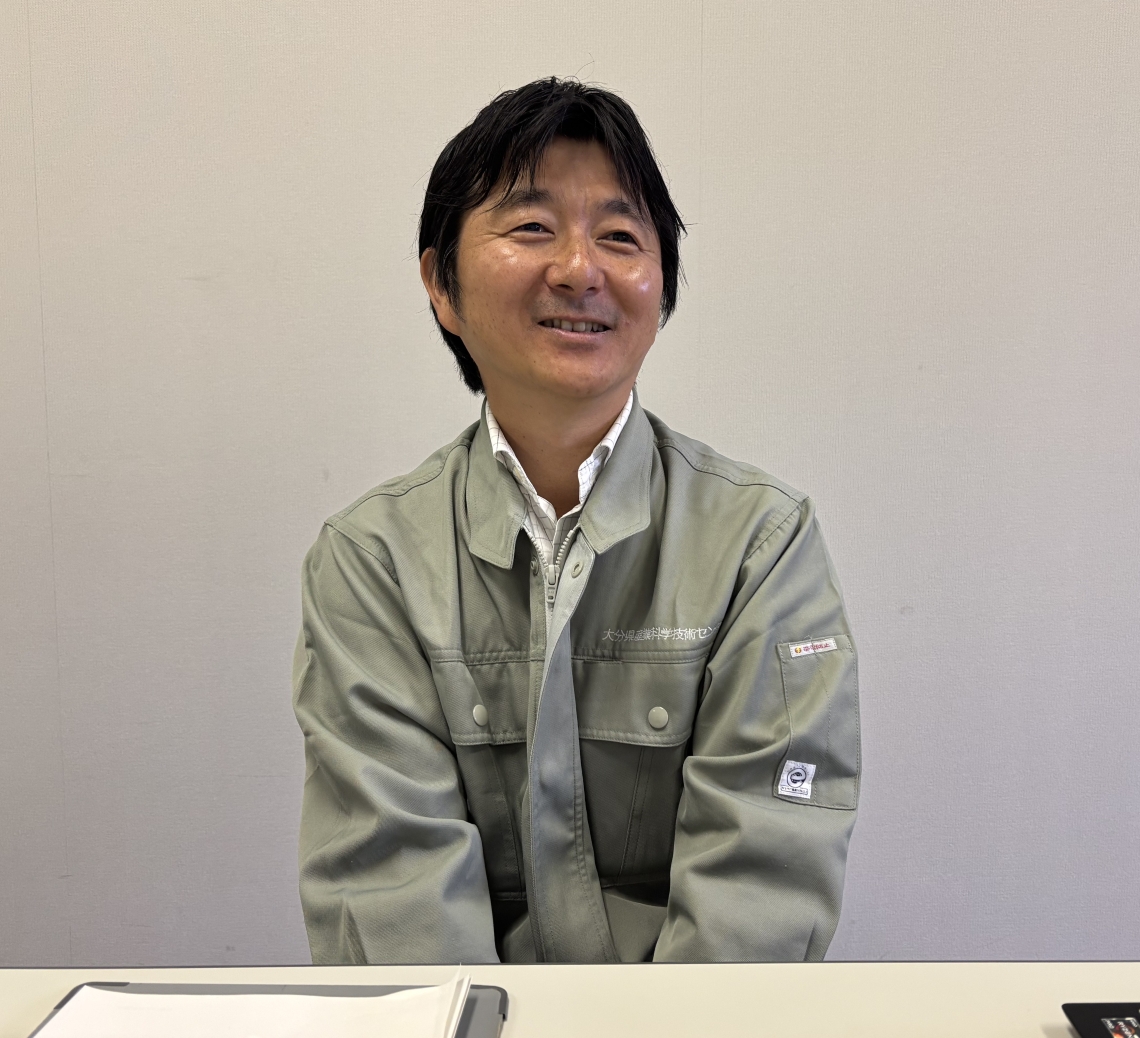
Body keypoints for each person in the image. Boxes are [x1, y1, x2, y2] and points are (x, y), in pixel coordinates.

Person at [292, 77, 860, 964]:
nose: (579, 269)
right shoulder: (372, 562)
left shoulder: (761, 544)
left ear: (660, 289)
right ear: (441, 284)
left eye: (620, 237)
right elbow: (392, 891)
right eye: (531, 227)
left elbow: (764, 880)